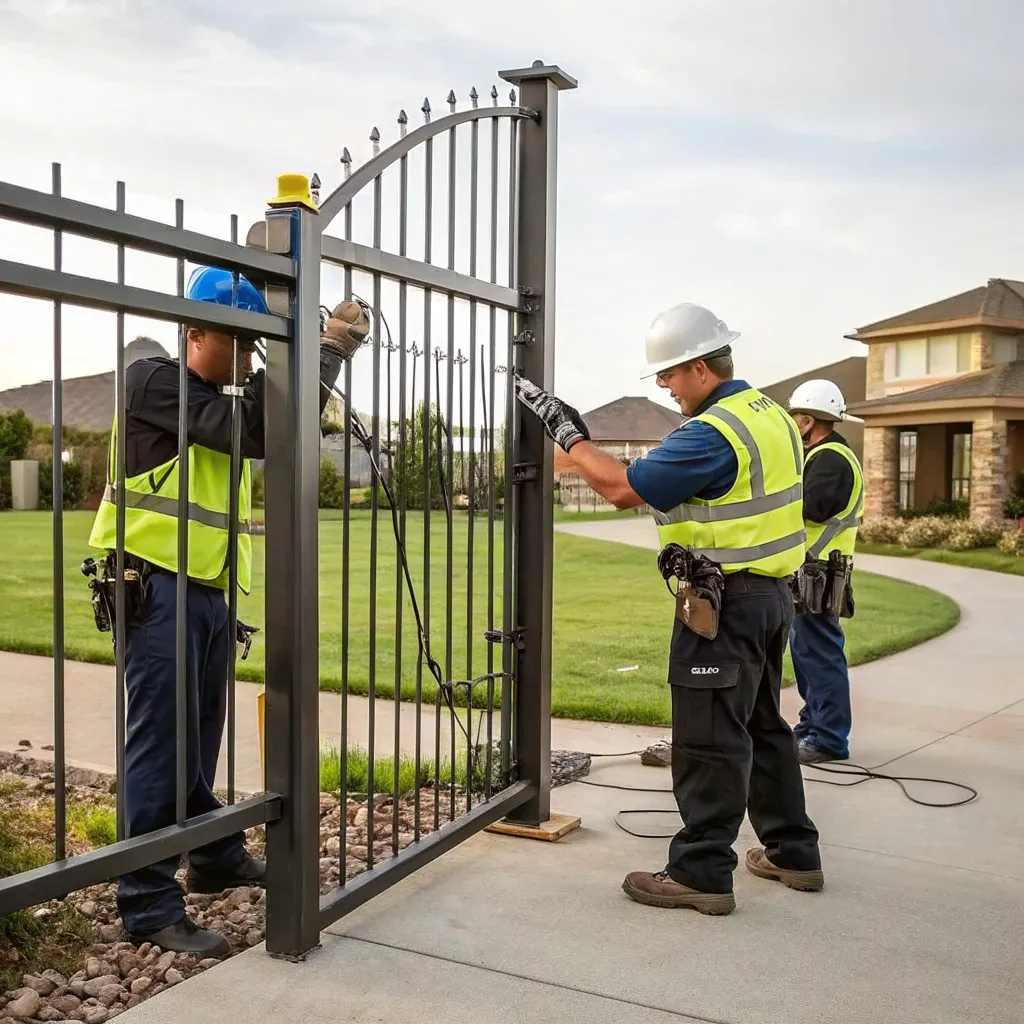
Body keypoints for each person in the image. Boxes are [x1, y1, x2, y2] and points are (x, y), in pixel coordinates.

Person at [88, 266, 368, 955]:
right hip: (153, 589)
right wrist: (325, 351)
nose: (249, 359)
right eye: (241, 344)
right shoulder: (152, 382)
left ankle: (211, 857)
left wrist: (316, 355)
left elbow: (264, 430)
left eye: (256, 347)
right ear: (195, 333)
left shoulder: (213, 396)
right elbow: (260, 430)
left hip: (205, 595)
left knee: (198, 740)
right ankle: (148, 904)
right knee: (161, 745)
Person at [515, 302, 822, 914]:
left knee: (710, 738)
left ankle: (701, 872)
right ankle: (793, 852)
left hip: (724, 607)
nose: (663, 386)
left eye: (670, 375)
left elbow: (622, 487)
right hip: (770, 600)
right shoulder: (773, 417)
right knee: (765, 728)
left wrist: (570, 436)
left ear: (702, 368)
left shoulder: (712, 433)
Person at [785, 379, 865, 765]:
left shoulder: (830, 458)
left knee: (819, 654)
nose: (793, 424)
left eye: (796, 417)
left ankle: (830, 738)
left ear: (808, 420)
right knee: (806, 653)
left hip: (820, 570)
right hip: (812, 571)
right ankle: (811, 724)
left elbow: (812, 508)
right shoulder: (823, 455)